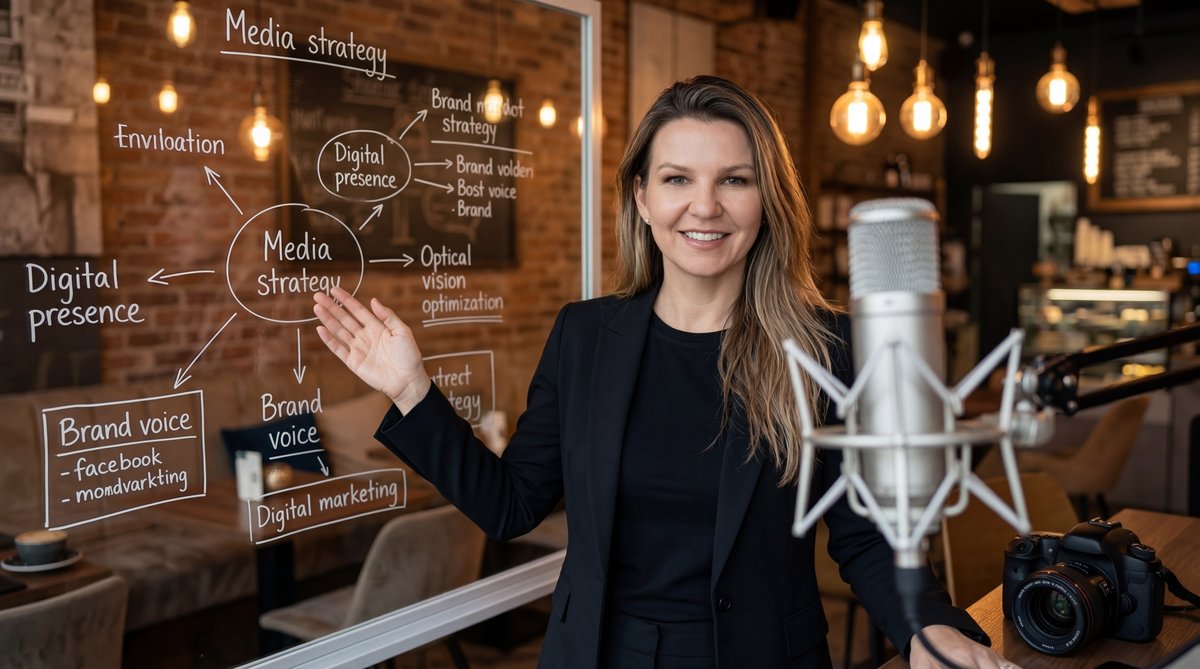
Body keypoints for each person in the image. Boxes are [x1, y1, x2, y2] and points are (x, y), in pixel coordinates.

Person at [313, 75, 1021, 669]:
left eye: (734, 180)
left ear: (767, 200)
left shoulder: (825, 346)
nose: (704, 206)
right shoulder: (585, 335)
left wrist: (929, 626)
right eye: (678, 178)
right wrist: (412, 390)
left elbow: (866, 533)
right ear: (643, 198)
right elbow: (513, 503)